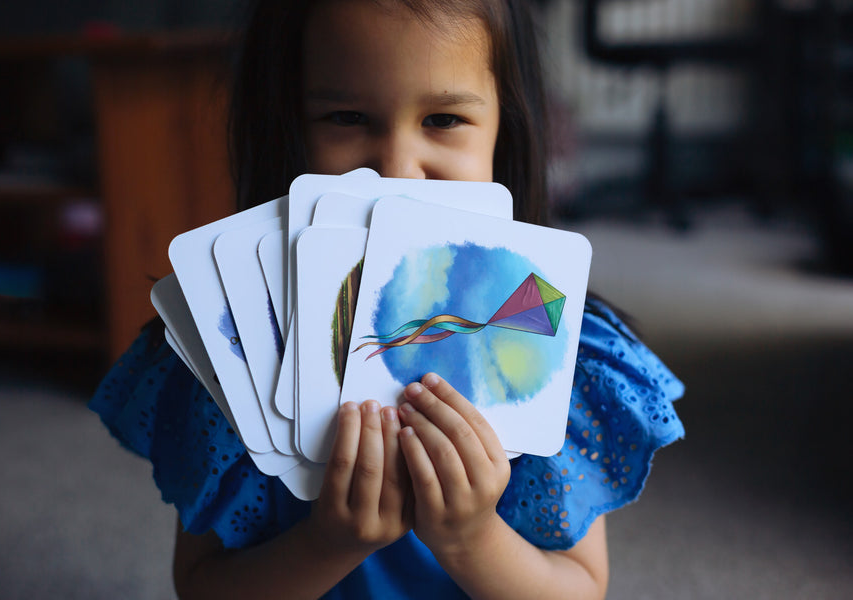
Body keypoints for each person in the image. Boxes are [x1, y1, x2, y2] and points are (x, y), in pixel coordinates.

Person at [90, 1, 685, 598]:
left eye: (445, 119)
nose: (396, 170)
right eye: (347, 116)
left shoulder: (557, 356)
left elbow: (581, 588)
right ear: (287, 126)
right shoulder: (229, 358)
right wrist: (328, 545)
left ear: (509, 126)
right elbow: (200, 587)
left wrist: (471, 539)